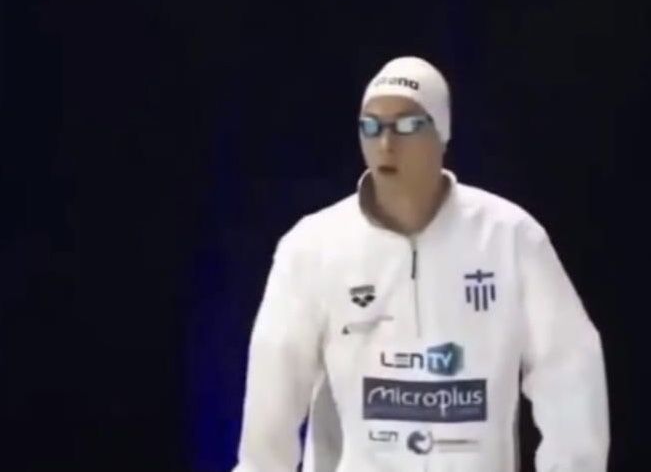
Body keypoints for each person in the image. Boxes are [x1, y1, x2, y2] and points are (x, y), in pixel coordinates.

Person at [231, 56, 610, 472]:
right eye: (371, 126)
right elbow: (272, 398)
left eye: (407, 125)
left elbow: (568, 369)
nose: (385, 144)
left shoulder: (509, 238)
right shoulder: (313, 247)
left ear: (442, 133)